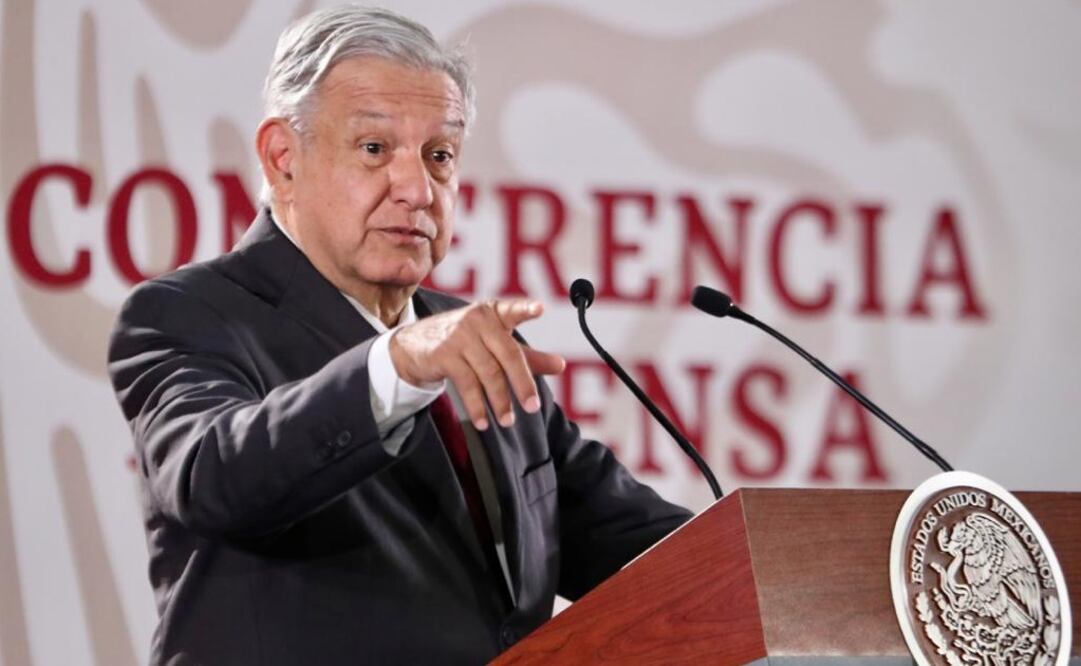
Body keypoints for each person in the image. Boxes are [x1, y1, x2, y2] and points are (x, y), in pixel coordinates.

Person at [108, 5, 692, 664]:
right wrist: (396, 366)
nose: (417, 188)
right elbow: (214, 475)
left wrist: (800, 561)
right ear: (282, 160)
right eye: (374, 149)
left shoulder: (484, 340)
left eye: (439, 155)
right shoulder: (185, 314)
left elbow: (646, 550)